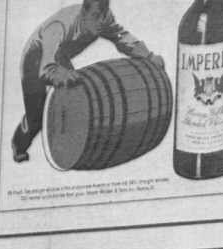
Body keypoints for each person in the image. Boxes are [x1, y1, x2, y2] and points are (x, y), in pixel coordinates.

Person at [11, 0, 165, 163]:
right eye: (96, 17)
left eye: (103, 16)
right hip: (35, 62)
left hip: (60, 57)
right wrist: (58, 74)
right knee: (35, 117)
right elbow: (46, 66)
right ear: (84, 14)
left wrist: (147, 55)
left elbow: (121, 37)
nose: (100, 23)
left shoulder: (103, 17)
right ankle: (18, 145)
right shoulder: (58, 26)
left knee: (75, 104)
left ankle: (66, 147)